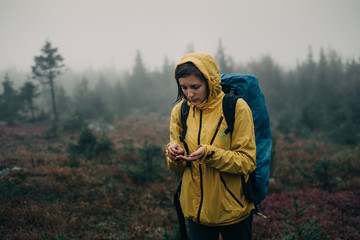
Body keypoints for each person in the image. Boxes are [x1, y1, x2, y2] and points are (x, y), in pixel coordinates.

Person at [165, 52, 257, 240]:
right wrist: (173, 155)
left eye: (195, 87)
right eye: (183, 87)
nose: (189, 94)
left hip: (233, 210)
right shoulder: (180, 111)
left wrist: (209, 154)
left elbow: (247, 162)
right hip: (195, 211)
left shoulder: (236, 108)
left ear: (210, 81)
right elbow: (177, 168)